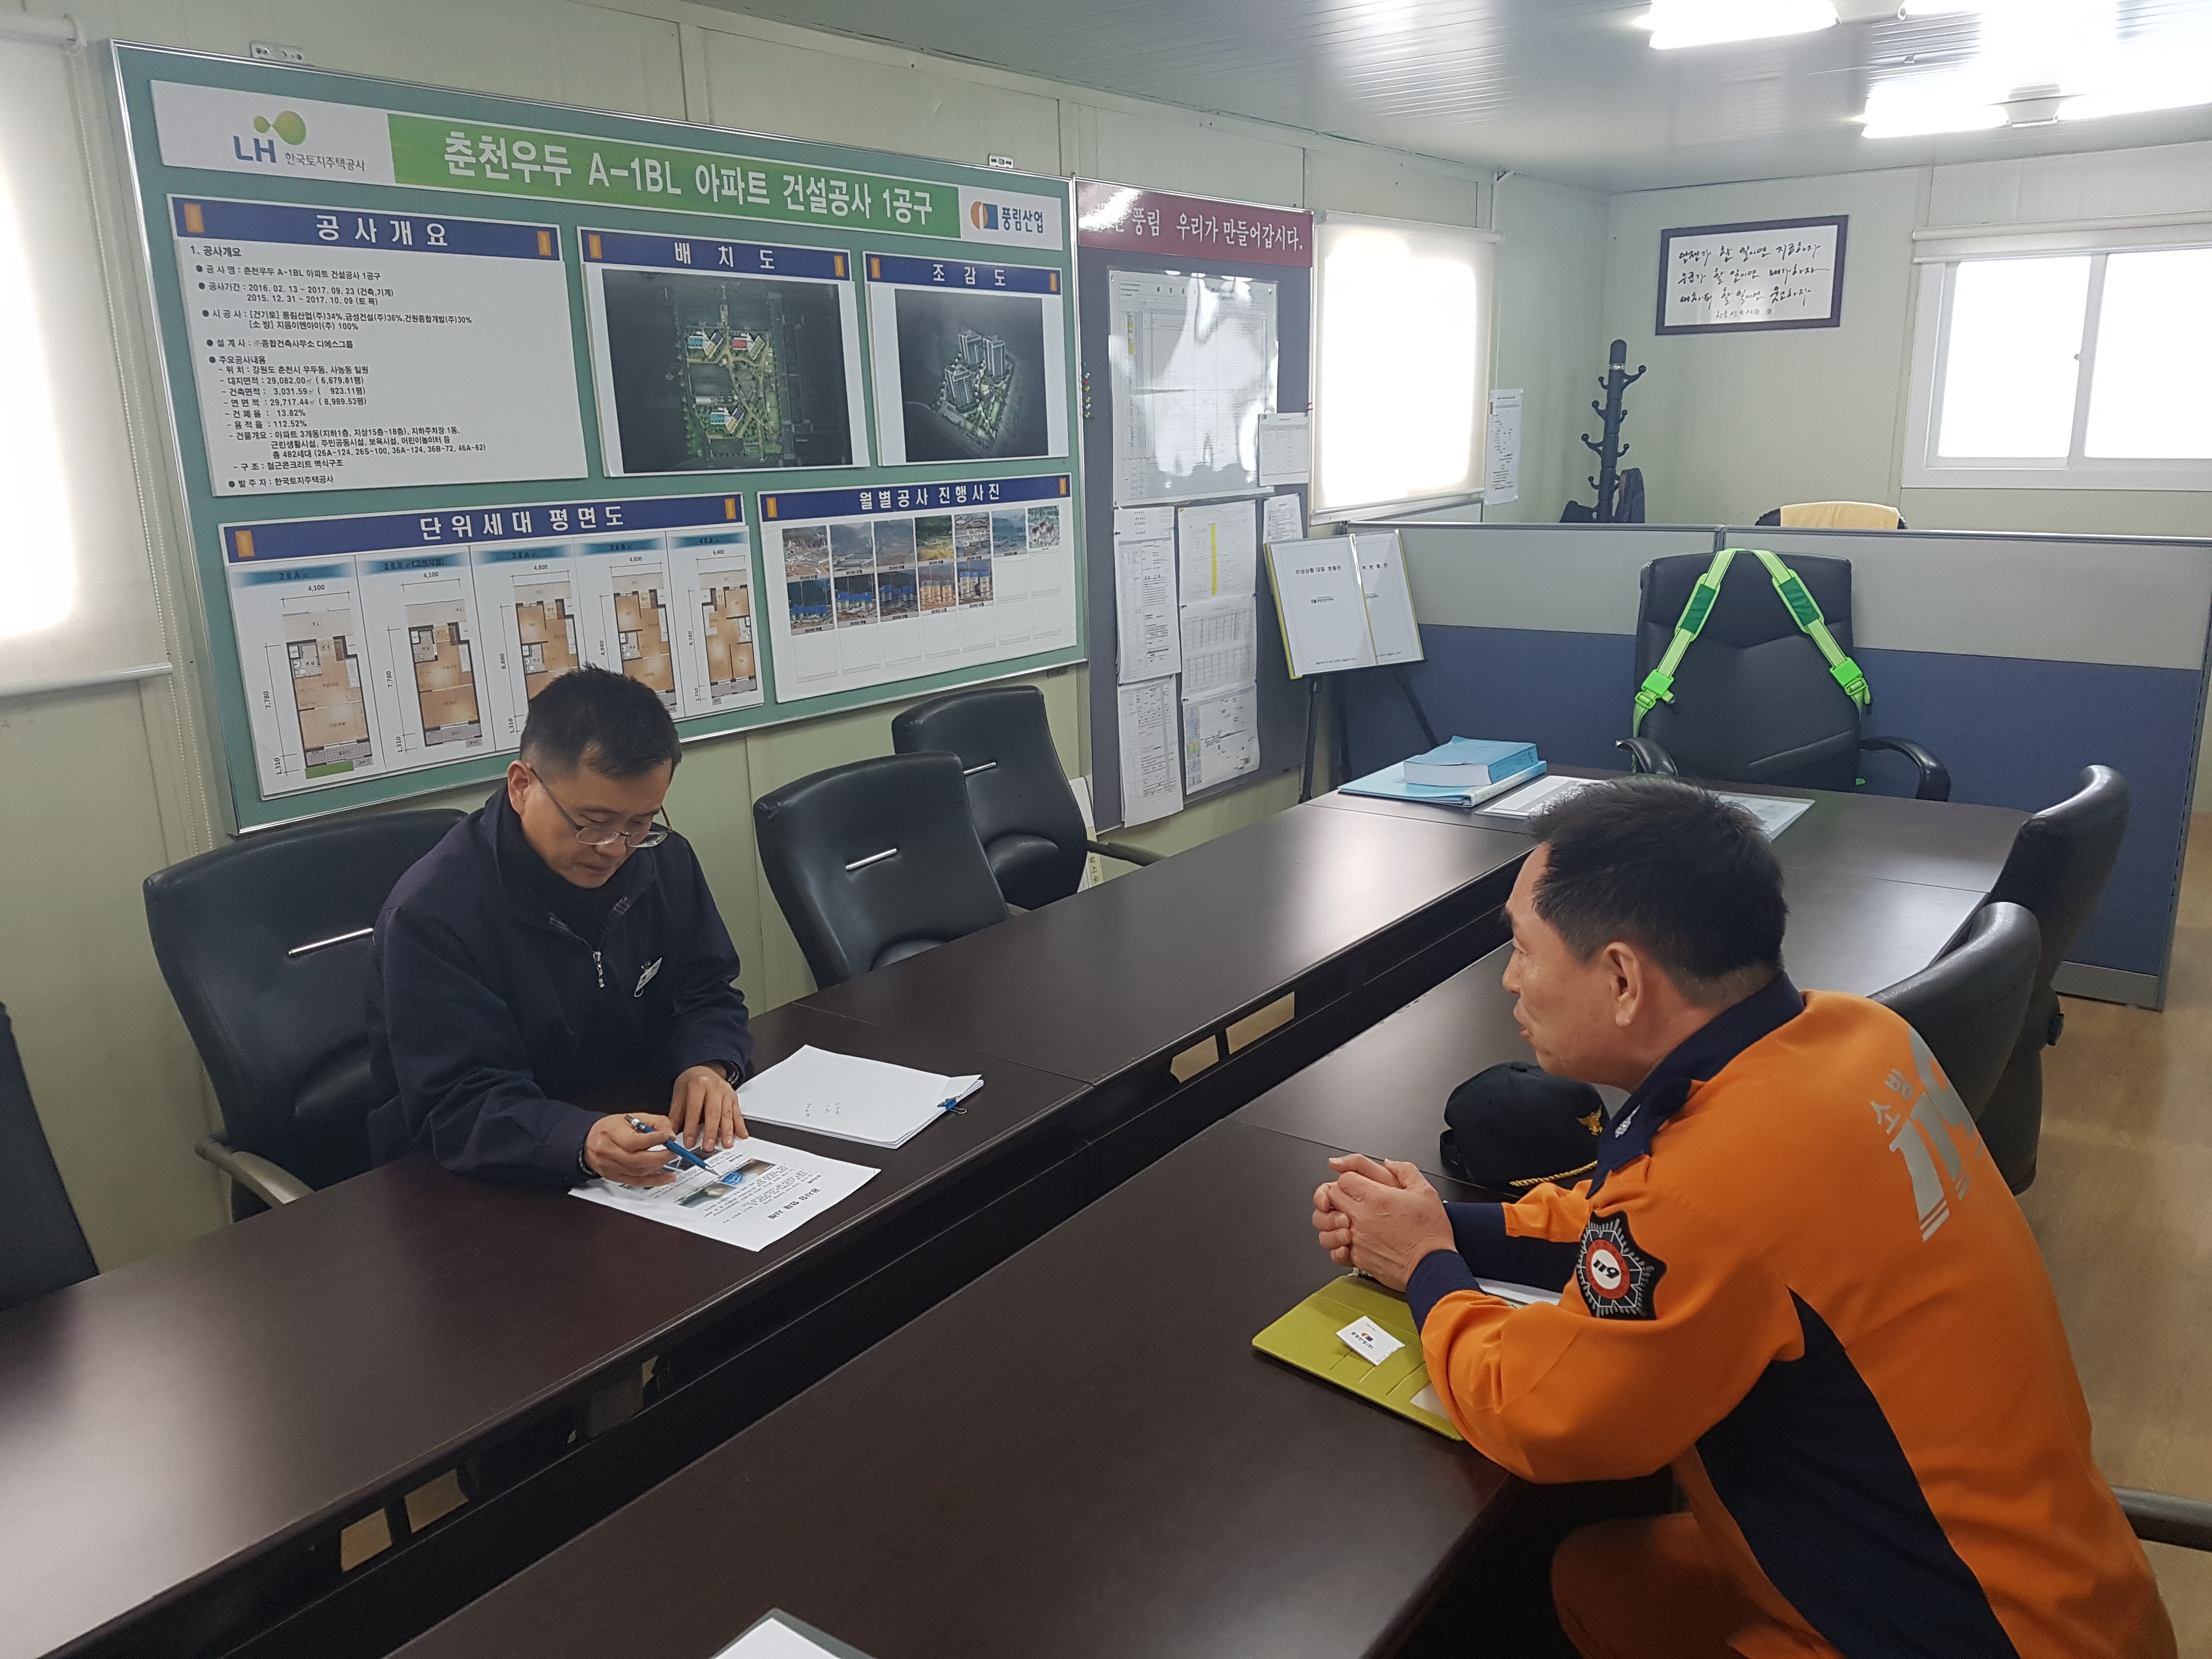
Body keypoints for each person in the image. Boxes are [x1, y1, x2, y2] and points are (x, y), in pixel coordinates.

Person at [1311, 778, 2172, 1659]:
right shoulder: (1857, 1035)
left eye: (1525, 951)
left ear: (1622, 979)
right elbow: (1654, 1225)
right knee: (1596, 1579)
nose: (1510, 980)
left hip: (1959, 1634)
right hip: (2060, 1585)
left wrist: (1428, 1269)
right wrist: (1445, 1226)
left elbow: (1538, 1415)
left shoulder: (1709, 1190)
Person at [366, 667, 753, 1188]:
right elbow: (458, 1102)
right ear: (522, 786)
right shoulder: (432, 915)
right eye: (592, 823)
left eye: (640, 823)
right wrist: (579, 1139)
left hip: (628, 1139)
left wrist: (707, 1063)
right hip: (469, 1182)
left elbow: (706, 990)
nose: (615, 849)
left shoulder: (663, 861)